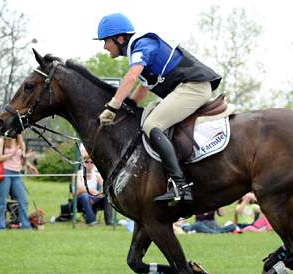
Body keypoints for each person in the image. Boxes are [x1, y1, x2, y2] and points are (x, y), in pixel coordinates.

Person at [95, 13, 222, 204]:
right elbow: (142, 87)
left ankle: (180, 185)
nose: (105, 47)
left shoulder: (142, 46)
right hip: (187, 88)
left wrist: (113, 107)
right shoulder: (139, 51)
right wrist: (128, 108)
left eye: (106, 41)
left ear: (120, 38)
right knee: (146, 117)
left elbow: (131, 77)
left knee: (152, 124)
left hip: (193, 87)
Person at [0, 135, 32, 229]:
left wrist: (29, 165)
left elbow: (21, 158)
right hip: (5, 172)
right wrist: (12, 153)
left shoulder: (21, 142)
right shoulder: (2, 140)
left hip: (17, 174)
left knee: (23, 200)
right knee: (2, 201)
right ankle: (0, 226)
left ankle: (26, 226)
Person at [76, 156, 114, 226]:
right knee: (85, 196)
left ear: (94, 164)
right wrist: (93, 192)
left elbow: (105, 187)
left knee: (107, 196)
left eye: (91, 162)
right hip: (80, 199)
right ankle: (91, 221)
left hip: (94, 198)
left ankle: (109, 221)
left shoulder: (97, 175)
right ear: (83, 163)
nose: (89, 164)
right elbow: (80, 188)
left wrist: (100, 194)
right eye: (86, 162)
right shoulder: (79, 173)